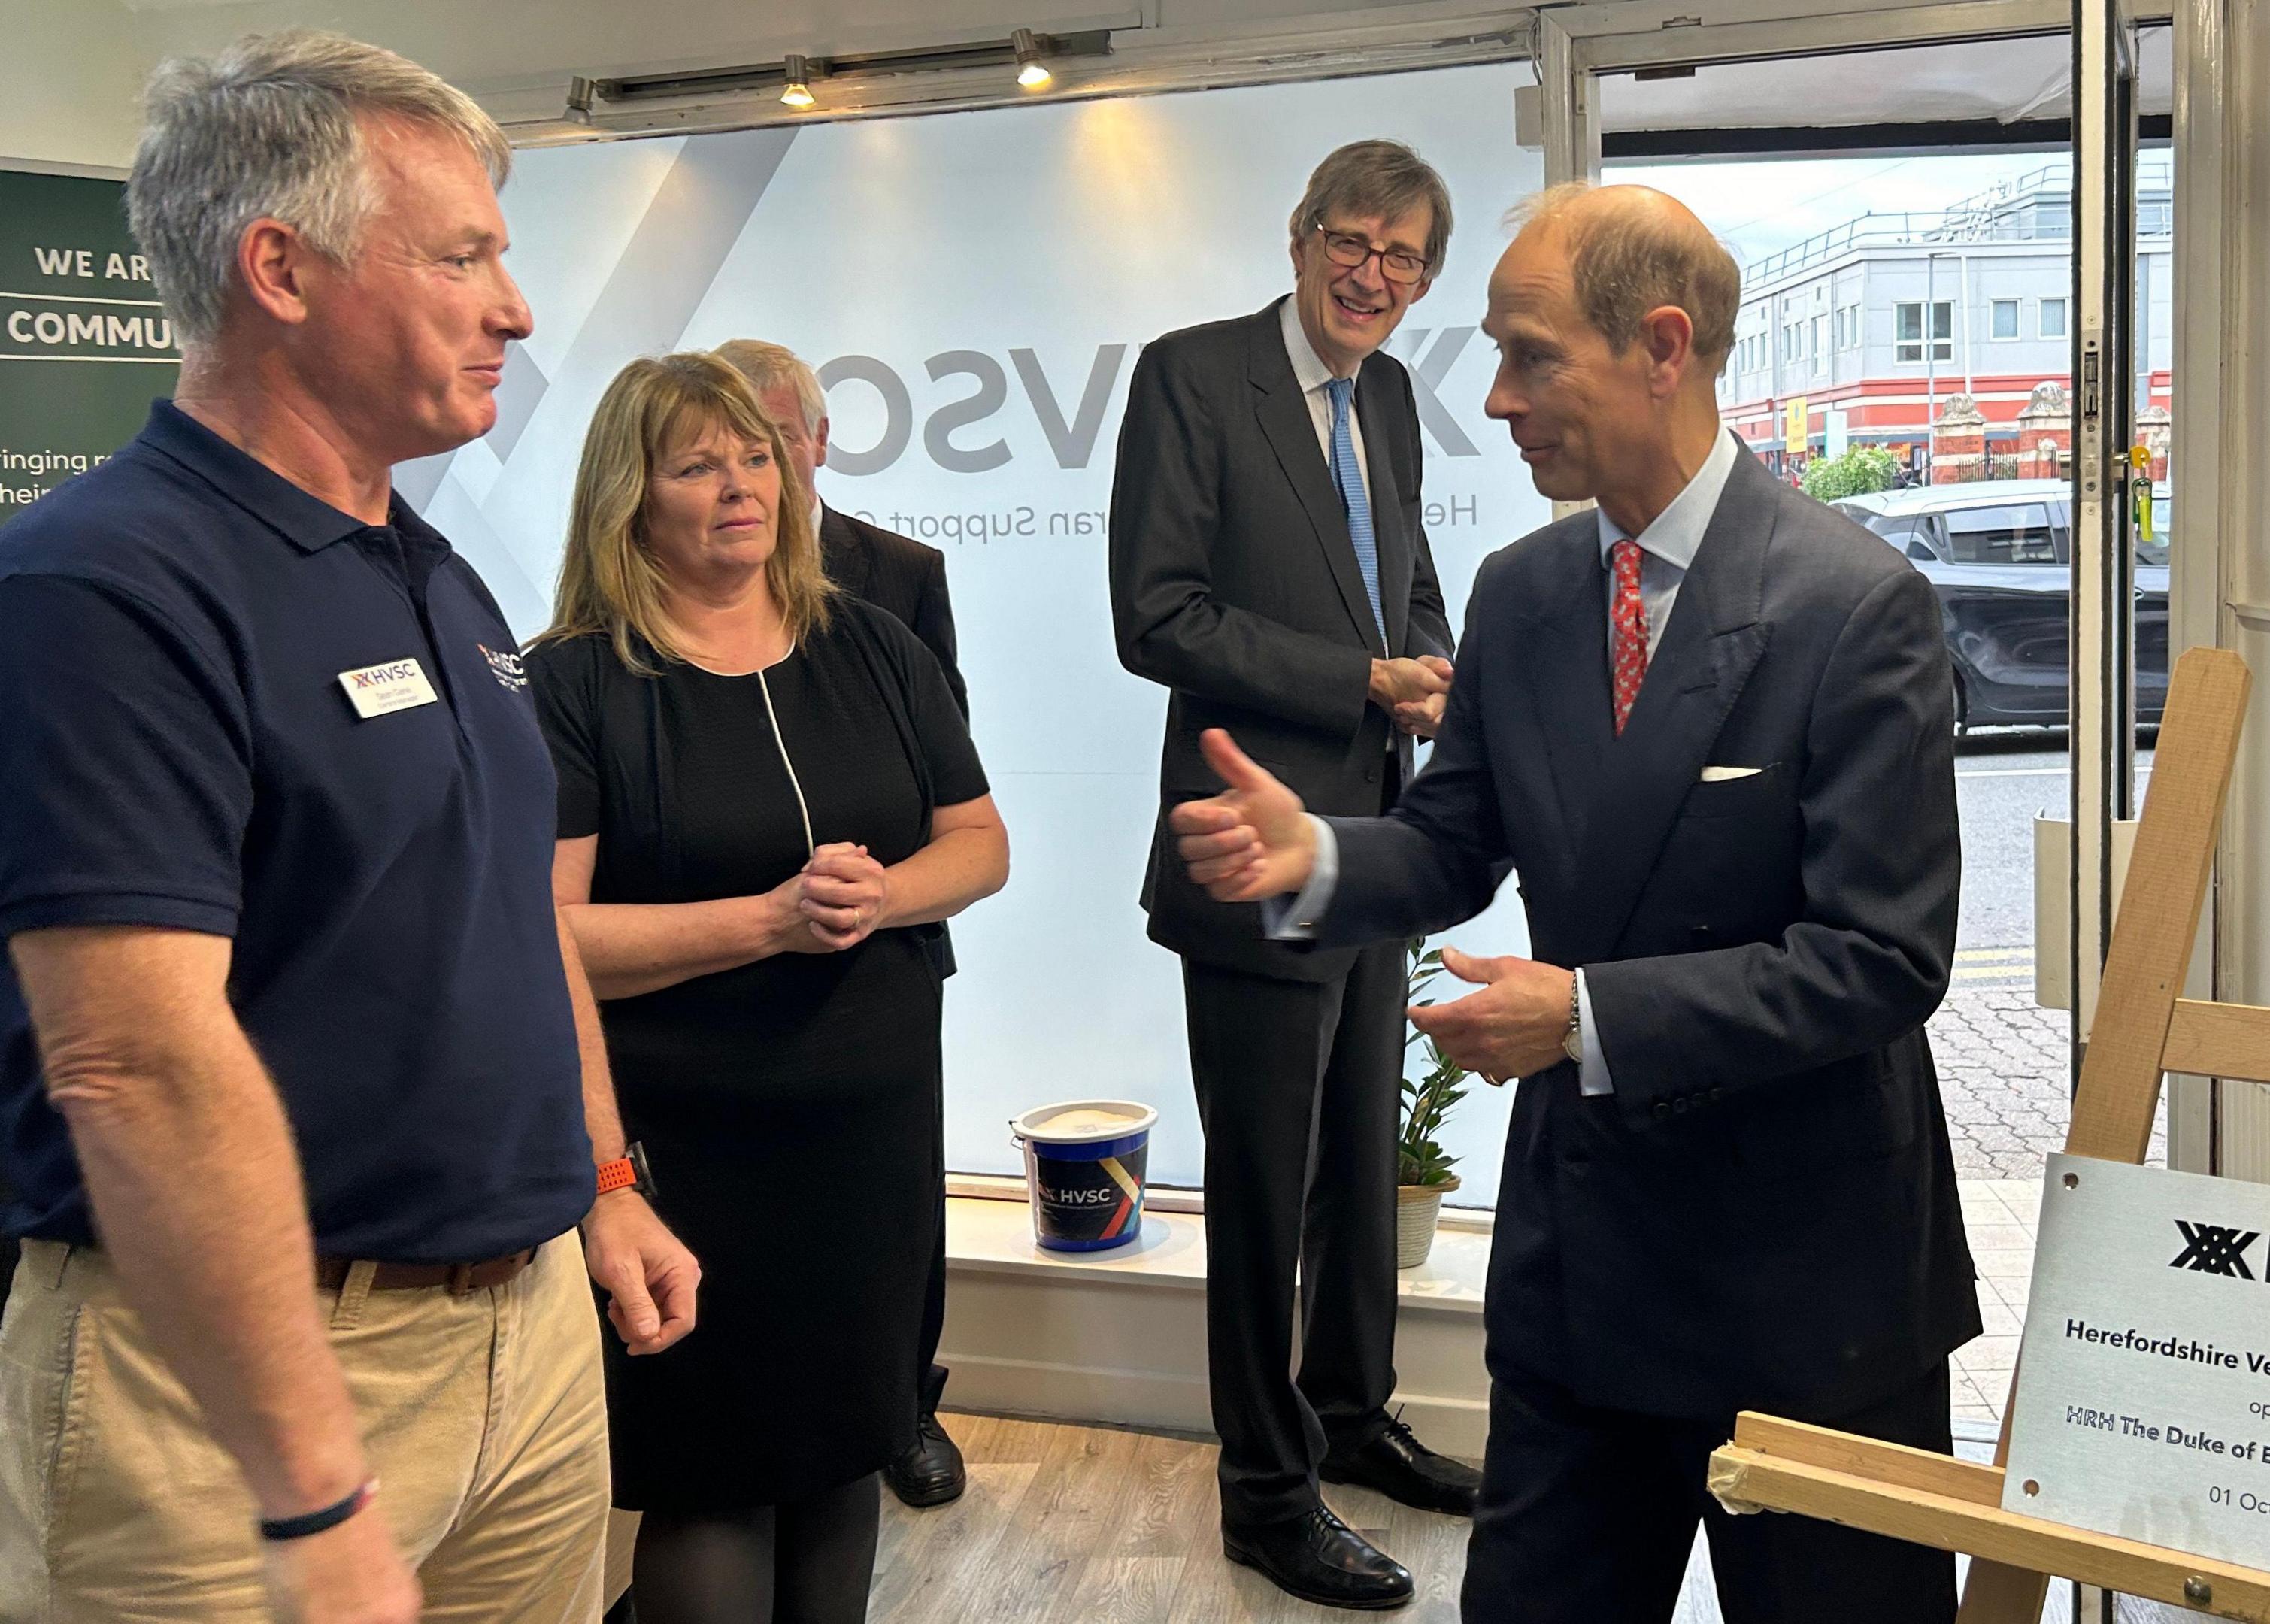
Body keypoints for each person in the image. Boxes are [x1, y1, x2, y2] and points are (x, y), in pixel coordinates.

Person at [1170, 183, 1981, 1624]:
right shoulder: (1525, 593)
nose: (1496, 398)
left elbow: (1881, 960)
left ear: (1661, 347)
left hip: (1810, 1291)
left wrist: (1587, 1015)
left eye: (1530, 355)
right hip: (1585, 1277)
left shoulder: (1853, 608)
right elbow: (1454, 838)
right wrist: (1327, 862)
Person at [0, 29, 699, 1623]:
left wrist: (600, 1182)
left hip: (524, 1336)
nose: (515, 307)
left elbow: (510, 923)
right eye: (464, 256)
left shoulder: (437, 578)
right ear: (281, 268)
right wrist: (307, 1488)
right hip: (233, 1389)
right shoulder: (103, 583)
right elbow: (134, 1068)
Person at [525, 353, 1008, 1623]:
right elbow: (546, 934)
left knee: (850, 1448)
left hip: (869, 1142)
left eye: (754, 457)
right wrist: (766, 922)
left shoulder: (879, 646)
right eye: (698, 464)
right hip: (692, 1152)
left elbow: (980, 844)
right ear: (633, 498)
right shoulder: (575, 681)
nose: (742, 485)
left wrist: (883, 898)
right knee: (717, 1479)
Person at [1106, 140, 1471, 1610]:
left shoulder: (1387, 394)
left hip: (1371, 845)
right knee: (1265, 1192)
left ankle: (1348, 1413)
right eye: (1354, 241)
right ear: (1301, 231)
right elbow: (1157, 613)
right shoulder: (1194, 378)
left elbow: (1404, 567)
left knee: (1358, 1176)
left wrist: (1435, 665)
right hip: (1250, 846)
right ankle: (1263, 1492)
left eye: (1405, 258)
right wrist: (1360, 679)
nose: (1375, 274)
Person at [714, 336, 971, 1514]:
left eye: (777, 440)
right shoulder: (640, 611)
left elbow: (948, 774)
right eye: (729, 445)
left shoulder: (899, 574)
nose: (757, 472)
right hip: (717, 964)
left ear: (818, 443)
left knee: (903, 1197)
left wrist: (881, 891)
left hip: (887, 938)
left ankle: (907, 1408)